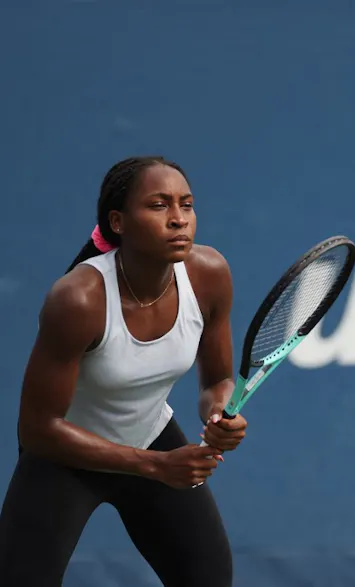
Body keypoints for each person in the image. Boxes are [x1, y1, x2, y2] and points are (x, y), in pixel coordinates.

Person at [0, 155, 247, 586]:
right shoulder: (78, 300)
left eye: (186, 206)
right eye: (158, 206)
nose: (178, 220)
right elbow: (38, 428)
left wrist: (219, 412)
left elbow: (217, 381)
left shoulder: (209, 274)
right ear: (118, 221)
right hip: (65, 456)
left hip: (151, 436)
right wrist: (154, 466)